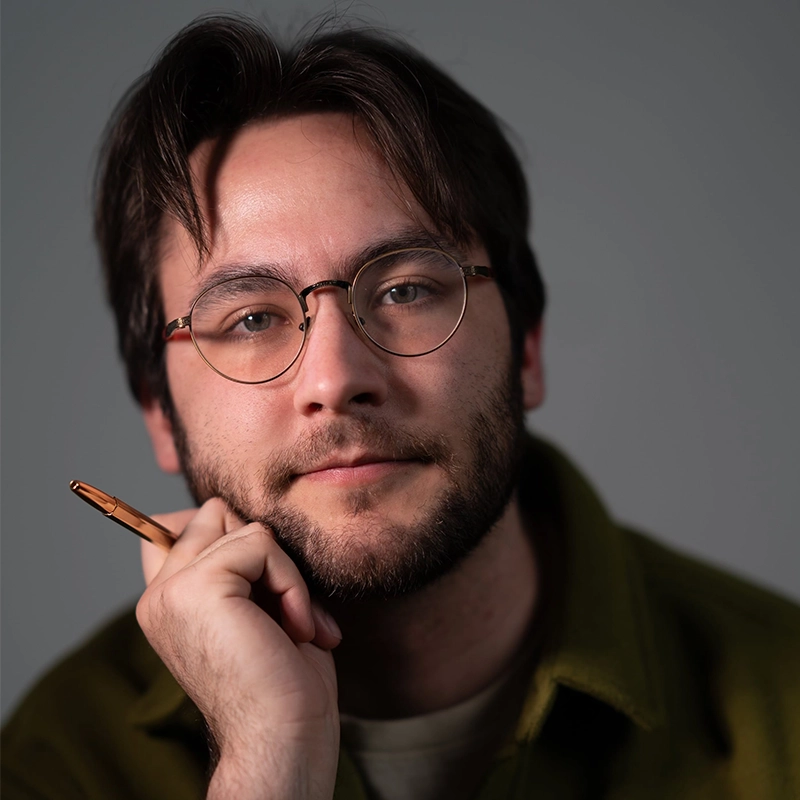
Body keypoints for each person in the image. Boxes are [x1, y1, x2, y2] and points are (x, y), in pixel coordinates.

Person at [2, 13, 799, 800]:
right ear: (156, 409)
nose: (335, 377)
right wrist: (267, 761)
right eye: (250, 318)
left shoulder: (784, 707)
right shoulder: (58, 762)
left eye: (406, 290)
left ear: (526, 348)